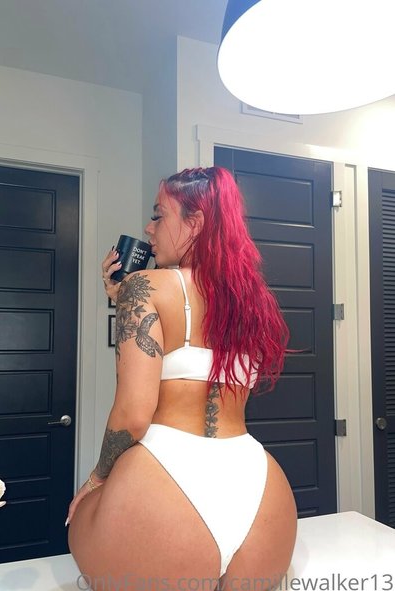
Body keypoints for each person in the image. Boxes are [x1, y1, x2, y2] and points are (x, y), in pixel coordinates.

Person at [67, 167, 297, 590]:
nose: (148, 227)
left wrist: (96, 478)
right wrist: (124, 300)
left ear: (195, 223)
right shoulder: (251, 301)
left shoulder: (144, 286)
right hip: (259, 489)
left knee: (82, 514)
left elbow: (134, 414)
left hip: (164, 482)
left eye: (158, 215)